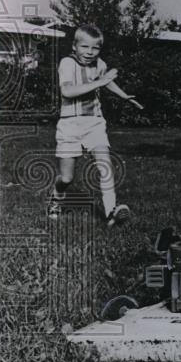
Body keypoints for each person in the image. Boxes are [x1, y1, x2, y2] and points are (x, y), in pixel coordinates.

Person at [47, 23, 143, 225]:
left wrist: (124, 96)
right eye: (85, 47)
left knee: (105, 166)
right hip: (69, 125)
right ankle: (56, 197)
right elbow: (67, 91)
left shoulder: (99, 64)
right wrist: (101, 82)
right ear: (74, 46)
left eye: (95, 48)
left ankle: (111, 212)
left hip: (94, 123)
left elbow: (106, 80)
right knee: (66, 178)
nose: (90, 52)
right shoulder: (67, 63)